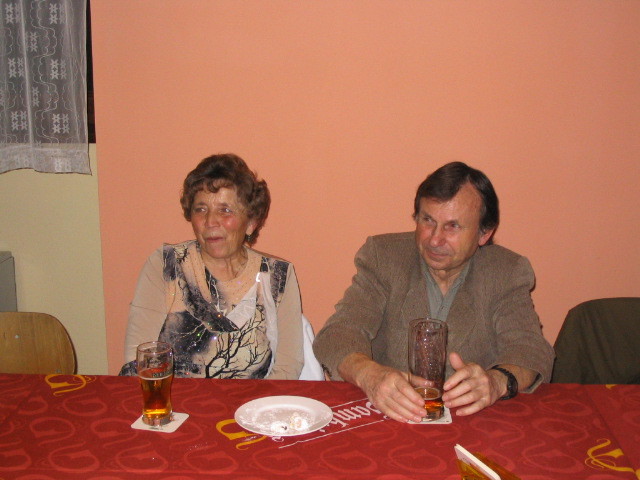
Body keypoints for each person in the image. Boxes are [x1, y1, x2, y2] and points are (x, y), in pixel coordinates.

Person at [313, 161, 554, 422]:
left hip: (475, 421)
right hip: (391, 416)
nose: (434, 240)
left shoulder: (505, 271)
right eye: (428, 220)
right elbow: (337, 334)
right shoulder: (384, 257)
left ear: (484, 233)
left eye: (453, 226)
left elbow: (531, 350)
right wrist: (370, 376)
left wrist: (496, 382)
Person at [120, 153, 322, 380]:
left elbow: (287, 368)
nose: (210, 221)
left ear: (251, 222)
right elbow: (138, 360)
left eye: (225, 210)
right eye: (201, 209)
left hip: (255, 401)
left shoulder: (278, 276)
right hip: (174, 400)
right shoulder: (166, 265)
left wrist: (260, 403)